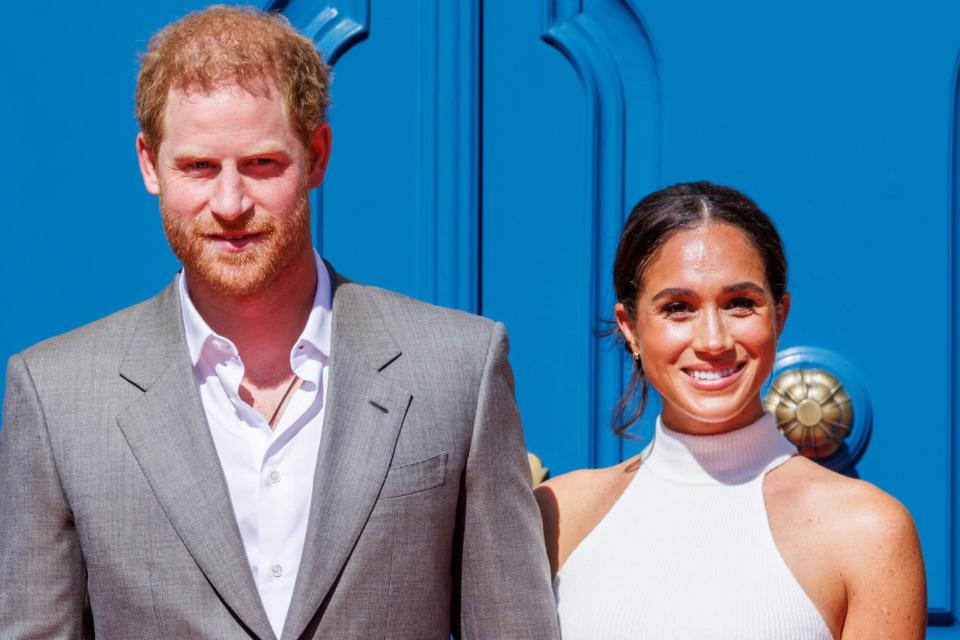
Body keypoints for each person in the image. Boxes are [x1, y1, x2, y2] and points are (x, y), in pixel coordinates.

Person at [0, 6, 559, 639]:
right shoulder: (57, 396)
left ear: (316, 155)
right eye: (199, 167)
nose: (231, 204)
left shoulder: (457, 367)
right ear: (150, 165)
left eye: (262, 164)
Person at [536, 181, 926, 639]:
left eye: (740, 303)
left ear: (780, 315)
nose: (713, 341)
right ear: (631, 328)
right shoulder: (555, 514)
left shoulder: (870, 531)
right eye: (678, 308)